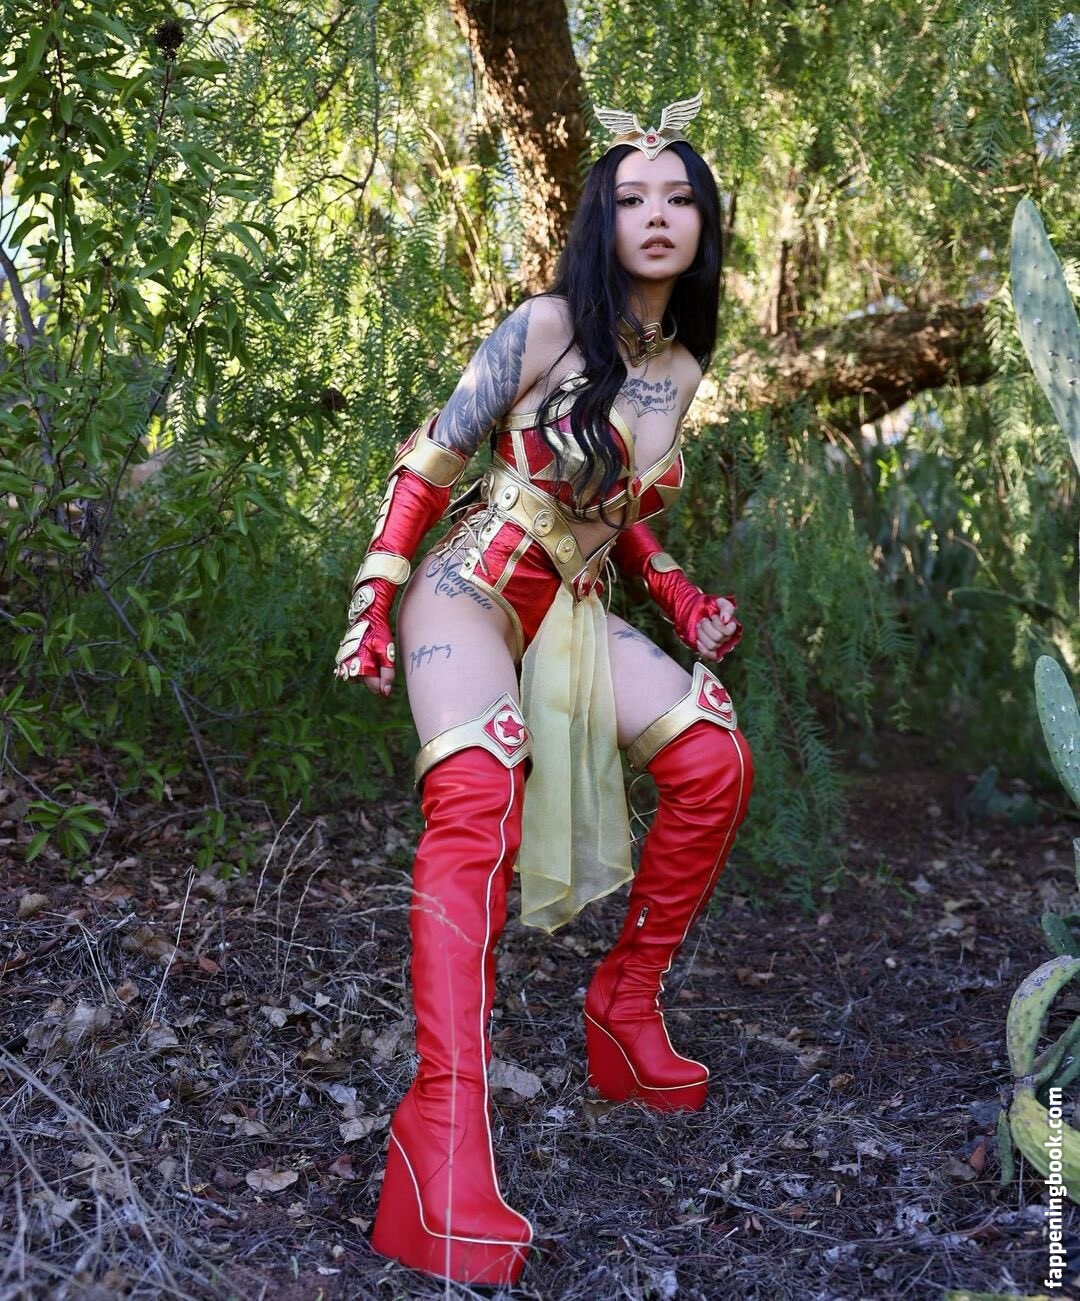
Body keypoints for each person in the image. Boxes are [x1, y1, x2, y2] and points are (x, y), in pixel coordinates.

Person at [333, 91, 754, 1288]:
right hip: (468, 588)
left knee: (712, 755)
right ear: (600, 220)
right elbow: (436, 455)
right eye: (633, 197)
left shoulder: (681, 365)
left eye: (680, 197)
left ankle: (626, 1007)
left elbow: (616, 509)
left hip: (569, 607)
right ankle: (439, 1139)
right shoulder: (545, 324)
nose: (658, 215)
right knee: (480, 795)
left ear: (705, 224)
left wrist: (679, 599)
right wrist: (374, 592)